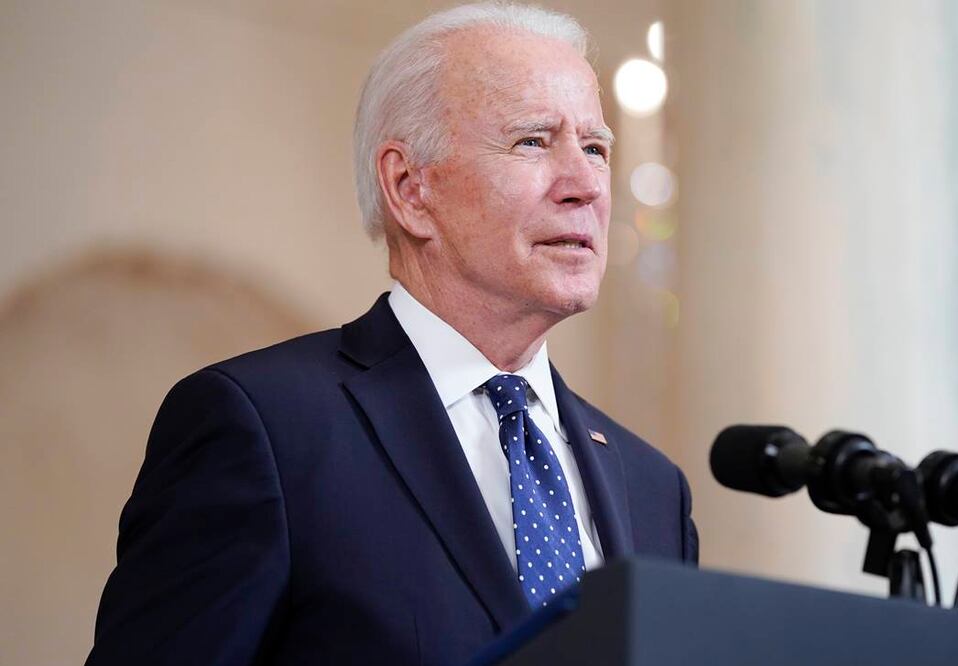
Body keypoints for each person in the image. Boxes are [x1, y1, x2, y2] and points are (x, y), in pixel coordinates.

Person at [86, 3, 697, 665]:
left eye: (595, 148)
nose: (585, 186)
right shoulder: (266, 430)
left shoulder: (653, 488)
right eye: (532, 141)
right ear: (409, 188)